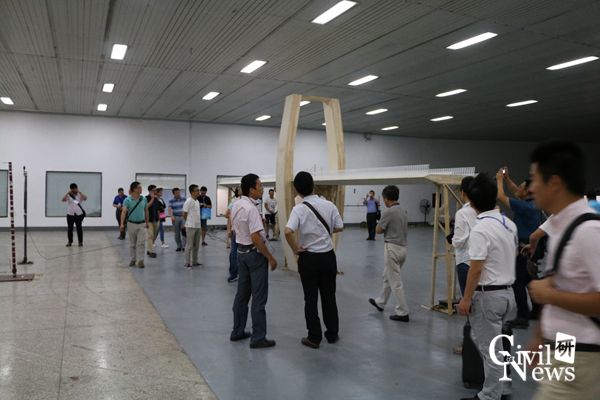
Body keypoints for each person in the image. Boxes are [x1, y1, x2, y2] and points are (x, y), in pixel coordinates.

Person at [527, 141, 600, 400]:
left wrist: (549, 296)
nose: (531, 188)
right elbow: (559, 284)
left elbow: (552, 292)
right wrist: (540, 337)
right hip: (564, 345)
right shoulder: (560, 227)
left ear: (555, 183)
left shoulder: (588, 231)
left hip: (583, 354)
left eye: (535, 179)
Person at [457, 173, 518, 400]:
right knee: (500, 344)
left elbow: (475, 269)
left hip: (488, 297)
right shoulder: (509, 224)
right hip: (508, 294)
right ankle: (504, 386)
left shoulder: (480, 230)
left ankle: (490, 395)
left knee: (489, 349)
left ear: (472, 203)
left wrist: (466, 298)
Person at [285, 172, 344, 348]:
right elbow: (339, 227)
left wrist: (295, 248)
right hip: (328, 257)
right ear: (313, 185)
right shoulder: (329, 205)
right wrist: (323, 234)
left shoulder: (299, 209)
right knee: (329, 297)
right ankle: (332, 334)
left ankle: (314, 337)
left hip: (309, 258)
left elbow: (288, 231)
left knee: (310, 299)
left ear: (297, 189)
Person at [230, 174, 278, 349]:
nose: (263, 188)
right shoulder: (250, 209)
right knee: (259, 297)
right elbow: (256, 237)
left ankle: (237, 331)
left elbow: (235, 229)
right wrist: (270, 257)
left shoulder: (236, 205)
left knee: (242, 295)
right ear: (251, 189)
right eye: (260, 185)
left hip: (241, 253)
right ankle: (258, 337)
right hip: (254, 256)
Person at [497, 167, 543, 329]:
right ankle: (537, 310)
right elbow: (516, 190)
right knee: (529, 278)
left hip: (524, 246)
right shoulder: (532, 203)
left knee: (517, 281)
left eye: (522, 187)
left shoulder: (524, 207)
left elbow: (501, 196)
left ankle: (522, 316)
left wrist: (499, 180)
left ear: (528, 192)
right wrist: (507, 178)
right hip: (531, 245)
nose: (518, 189)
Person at [367, 185, 410, 322]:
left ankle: (403, 312)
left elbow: (378, 230)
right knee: (388, 276)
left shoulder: (389, 212)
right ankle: (381, 302)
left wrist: (378, 222)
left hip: (392, 248)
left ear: (386, 198)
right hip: (403, 248)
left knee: (395, 281)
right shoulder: (402, 210)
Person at [452, 176, 477, 296]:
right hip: (480, 260)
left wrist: (453, 240)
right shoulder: (481, 209)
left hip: (465, 261)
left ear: (463, 193)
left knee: (468, 298)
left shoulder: (462, 213)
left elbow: (459, 241)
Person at [120, 181, 149, 268]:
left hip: (142, 224)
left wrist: (147, 222)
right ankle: (133, 259)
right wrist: (122, 224)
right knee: (132, 243)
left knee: (141, 243)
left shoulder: (143, 199)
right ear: (134, 189)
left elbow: (146, 210)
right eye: (139, 187)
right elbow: (124, 212)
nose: (141, 189)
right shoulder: (127, 200)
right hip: (131, 224)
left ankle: (141, 260)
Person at [182, 185, 202, 268]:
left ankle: (195, 261)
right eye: (197, 190)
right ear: (192, 192)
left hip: (198, 226)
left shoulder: (197, 201)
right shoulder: (188, 201)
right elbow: (184, 214)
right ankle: (187, 262)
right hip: (190, 226)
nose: (198, 192)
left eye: (198, 190)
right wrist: (188, 222)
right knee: (189, 245)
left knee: (196, 246)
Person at [226, 187, 242, 283]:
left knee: (239, 253)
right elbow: (228, 215)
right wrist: (229, 229)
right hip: (236, 231)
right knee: (234, 253)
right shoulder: (234, 202)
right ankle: (234, 273)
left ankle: (238, 273)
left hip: (244, 232)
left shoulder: (249, 201)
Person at [145, 185, 159, 258]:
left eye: (156, 190)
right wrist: (152, 198)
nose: (155, 191)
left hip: (155, 220)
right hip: (149, 220)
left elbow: (158, 209)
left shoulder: (157, 199)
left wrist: (159, 218)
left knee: (154, 235)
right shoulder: (146, 198)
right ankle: (150, 251)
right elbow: (146, 207)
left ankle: (149, 249)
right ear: (150, 191)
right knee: (150, 235)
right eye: (154, 190)